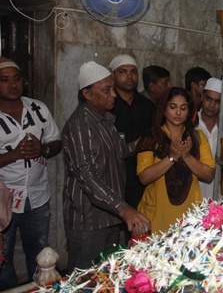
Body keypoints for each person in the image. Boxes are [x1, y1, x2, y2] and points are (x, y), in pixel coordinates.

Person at [62, 61, 149, 270]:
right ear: (87, 94)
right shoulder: (80, 126)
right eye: (107, 90)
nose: (114, 95)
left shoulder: (105, 119)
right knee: (85, 278)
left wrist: (140, 144)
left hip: (110, 215)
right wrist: (123, 208)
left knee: (106, 275)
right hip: (89, 221)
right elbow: (87, 175)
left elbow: (118, 152)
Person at [0, 58, 62, 289]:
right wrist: (14, 154)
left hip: (37, 196)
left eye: (16, 79)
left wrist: (43, 148)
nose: (12, 85)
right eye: (4, 80)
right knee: (2, 258)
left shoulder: (38, 108)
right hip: (3, 199)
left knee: (40, 253)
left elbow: (56, 141)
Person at [137, 87, 215, 233]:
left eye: (183, 108)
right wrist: (172, 157)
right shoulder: (152, 136)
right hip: (156, 214)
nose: (178, 113)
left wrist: (186, 156)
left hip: (189, 214)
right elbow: (144, 177)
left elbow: (208, 175)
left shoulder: (197, 137)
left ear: (189, 111)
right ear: (164, 109)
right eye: (173, 107)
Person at [109, 55, 154, 209]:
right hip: (114, 175)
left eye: (133, 72)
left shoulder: (147, 105)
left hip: (142, 175)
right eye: (123, 71)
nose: (129, 76)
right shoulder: (108, 105)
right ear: (113, 75)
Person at [197, 78, 221, 199]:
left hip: (218, 192)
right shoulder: (191, 123)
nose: (212, 105)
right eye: (209, 99)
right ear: (202, 97)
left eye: (217, 101)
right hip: (194, 191)